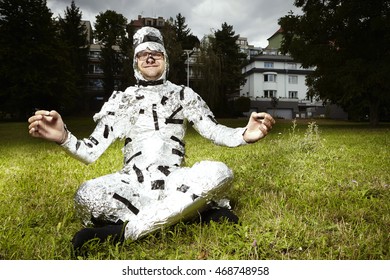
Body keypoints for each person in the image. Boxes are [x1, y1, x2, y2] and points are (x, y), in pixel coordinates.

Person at [28, 27, 275, 252]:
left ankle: (125, 232)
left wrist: (244, 134)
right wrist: (64, 137)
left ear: (165, 59)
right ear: (135, 62)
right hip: (133, 184)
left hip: (174, 180)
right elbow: (90, 151)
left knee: (221, 173)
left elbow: (213, 130)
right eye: (142, 54)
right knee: (86, 196)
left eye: (156, 53)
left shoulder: (184, 95)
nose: (149, 57)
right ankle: (193, 212)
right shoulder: (122, 100)